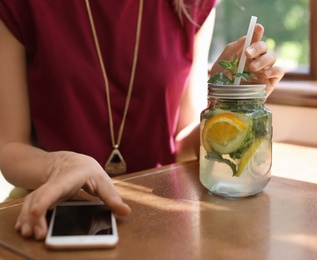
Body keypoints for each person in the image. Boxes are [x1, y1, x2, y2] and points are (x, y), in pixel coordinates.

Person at [0, 0, 284, 240]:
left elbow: (182, 146)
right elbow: (9, 146)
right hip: (53, 209)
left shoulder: (190, 5)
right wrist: (61, 164)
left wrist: (229, 107)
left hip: (161, 210)